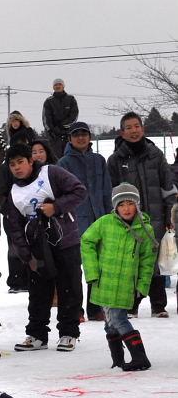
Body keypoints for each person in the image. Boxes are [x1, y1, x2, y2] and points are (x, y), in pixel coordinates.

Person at [4, 143, 86, 352]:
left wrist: (56, 207)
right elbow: (14, 227)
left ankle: (68, 332)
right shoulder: (14, 192)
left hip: (65, 241)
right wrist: (26, 255)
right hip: (37, 247)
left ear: (31, 161)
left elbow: (79, 191)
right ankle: (37, 334)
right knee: (38, 292)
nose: (17, 168)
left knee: (69, 288)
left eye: (20, 162)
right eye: (12, 164)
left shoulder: (51, 173)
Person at [107, 111, 177, 317]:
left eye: (136, 126)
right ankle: (131, 305)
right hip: (129, 220)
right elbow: (111, 192)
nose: (134, 131)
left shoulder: (156, 155)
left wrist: (170, 214)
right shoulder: (115, 160)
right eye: (128, 128)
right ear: (122, 132)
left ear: (142, 129)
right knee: (132, 261)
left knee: (154, 260)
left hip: (156, 218)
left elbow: (168, 188)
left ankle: (158, 305)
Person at [81, 184, 155, 371]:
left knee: (118, 319)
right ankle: (118, 358)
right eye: (121, 205)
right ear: (115, 207)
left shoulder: (145, 229)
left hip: (126, 286)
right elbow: (86, 241)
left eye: (130, 203)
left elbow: (147, 262)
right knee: (109, 323)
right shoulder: (105, 223)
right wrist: (92, 272)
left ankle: (140, 358)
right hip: (104, 282)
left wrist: (142, 287)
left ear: (137, 205)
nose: (126, 209)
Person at [58, 122, 112, 321]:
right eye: (76, 134)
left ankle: (95, 308)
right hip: (74, 223)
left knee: (97, 266)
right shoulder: (63, 163)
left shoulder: (99, 160)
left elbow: (107, 190)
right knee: (74, 270)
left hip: (99, 219)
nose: (80, 138)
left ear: (89, 137)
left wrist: (109, 215)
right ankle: (76, 310)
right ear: (70, 139)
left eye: (84, 134)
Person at [42, 79, 79, 159]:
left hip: (69, 135)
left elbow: (74, 116)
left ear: (63, 86)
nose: (57, 86)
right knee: (56, 159)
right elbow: (46, 118)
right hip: (54, 136)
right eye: (55, 85)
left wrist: (62, 126)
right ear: (53, 87)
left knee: (71, 158)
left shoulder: (71, 99)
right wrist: (51, 131)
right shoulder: (48, 101)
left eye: (59, 84)